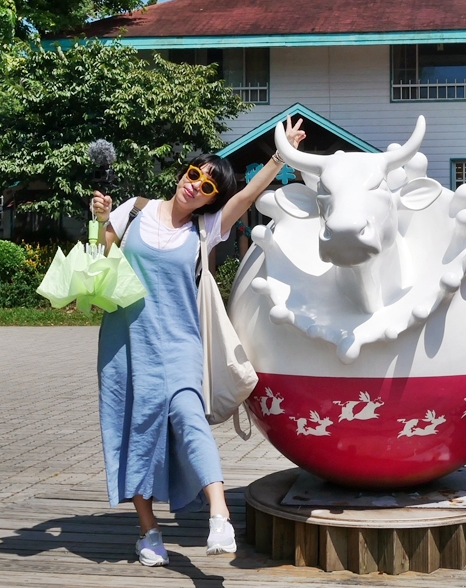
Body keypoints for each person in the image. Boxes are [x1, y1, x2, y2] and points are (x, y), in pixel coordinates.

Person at [91, 117, 306, 567]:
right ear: (182, 174)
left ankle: (219, 515)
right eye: (194, 175)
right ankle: (148, 531)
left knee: (190, 420)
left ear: (212, 199)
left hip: (181, 343)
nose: (197, 186)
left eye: (208, 186)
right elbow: (101, 261)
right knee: (135, 433)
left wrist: (279, 153)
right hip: (125, 344)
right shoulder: (131, 210)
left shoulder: (204, 230)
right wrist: (98, 222)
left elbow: (247, 196)